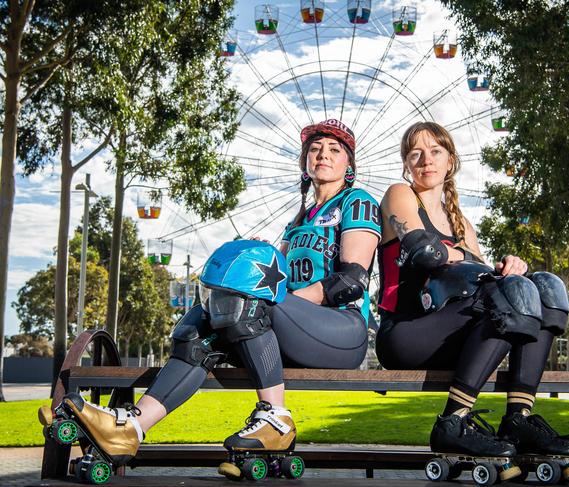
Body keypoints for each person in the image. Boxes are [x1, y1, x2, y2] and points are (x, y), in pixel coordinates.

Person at [56, 118, 381, 465]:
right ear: (304, 162)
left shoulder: (357, 202)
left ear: (349, 164)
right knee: (201, 323)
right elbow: (279, 280)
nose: (322, 155)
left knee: (249, 303)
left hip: (341, 331)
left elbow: (350, 283)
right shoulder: (298, 221)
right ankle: (131, 428)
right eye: (314, 149)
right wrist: (264, 258)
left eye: (334, 150)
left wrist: (273, 302)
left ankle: (276, 418)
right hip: (295, 332)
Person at [375, 121, 569, 458]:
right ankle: (451, 423)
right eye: (416, 154)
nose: (427, 159)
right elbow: (425, 252)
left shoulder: (461, 223)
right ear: (406, 164)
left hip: (452, 334)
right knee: (505, 299)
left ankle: (518, 418)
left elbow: (477, 278)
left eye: (435, 151)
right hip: (405, 332)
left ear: (450, 161)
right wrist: (471, 263)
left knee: (542, 288)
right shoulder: (400, 194)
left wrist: (509, 268)